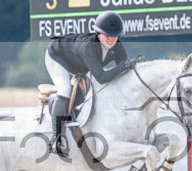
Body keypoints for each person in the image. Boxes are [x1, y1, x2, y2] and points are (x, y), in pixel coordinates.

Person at [44, 10, 132, 157]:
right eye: (107, 35)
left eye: (115, 35)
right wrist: (125, 66)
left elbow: (123, 72)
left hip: (79, 63)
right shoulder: (89, 46)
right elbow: (102, 77)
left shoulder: (117, 46)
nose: (111, 39)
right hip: (57, 56)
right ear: (98, 34)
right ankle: (56, 140)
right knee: (65, 89)